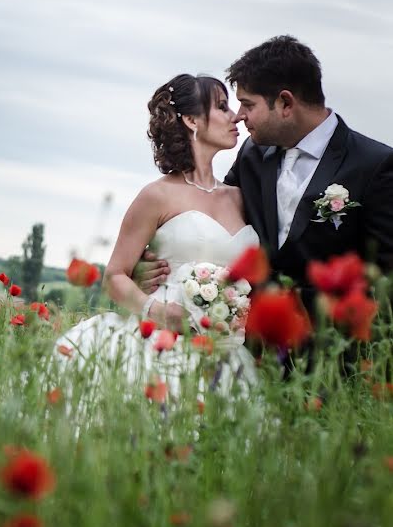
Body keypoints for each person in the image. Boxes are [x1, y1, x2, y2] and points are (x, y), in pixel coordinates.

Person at [136, 36, 393, 320]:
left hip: (331, 349)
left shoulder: (375, 165)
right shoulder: (252, 155)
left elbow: (385, 280)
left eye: (247, 104)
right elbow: (209, 218)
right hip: (248, 343)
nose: (240, 116)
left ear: (285, 103)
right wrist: (147, 266)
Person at [53, 74, 258, 401]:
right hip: (160, 343)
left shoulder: (240, 197)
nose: (235, 116)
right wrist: (155, 310)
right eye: (222, 107)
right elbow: (115, 274)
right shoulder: (157, 196)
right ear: (192, 120)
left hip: (224, 351)